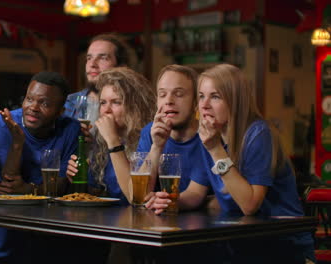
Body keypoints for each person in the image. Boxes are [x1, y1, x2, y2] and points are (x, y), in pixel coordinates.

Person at [147, 64, 315, 263]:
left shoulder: (257, 134)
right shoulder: (209, 136)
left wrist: (216, 150)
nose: (205, 104)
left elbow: (250, 205)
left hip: (282, 244)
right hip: (240, 243)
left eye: (215, 96)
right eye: (201, 96)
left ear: (235, 101)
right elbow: (195, 193)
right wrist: (169, 201)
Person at [0, 71, 81, 264]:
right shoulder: (3, 123)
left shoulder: (70, 128)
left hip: (47, 241)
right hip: (1, 239)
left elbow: (63, 185)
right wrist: (17, 142)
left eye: (45, 103)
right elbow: (7, 186)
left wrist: (28, 189)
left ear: (60, 111)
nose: (33, 107)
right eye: (29, 99)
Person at [67, 67, 156, 203]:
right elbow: (99, 194)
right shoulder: (101, 142)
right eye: (103, 103)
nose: (106, 110)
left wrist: (113, 141)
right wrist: (77, 176)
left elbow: (136, 198)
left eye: (116, 102)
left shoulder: (148, 138)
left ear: (135, 106)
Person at [138, 64, 204, 193]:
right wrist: (156, 147)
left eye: (178, 94)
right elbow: (138, 195)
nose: (168, 101)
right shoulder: (150, 132)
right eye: (162, 95)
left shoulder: (208, 136)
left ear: (196, 101)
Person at [63, 33, 129, 118]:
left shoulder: (132, 104)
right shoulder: (72, 102)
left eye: (103, 58)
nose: (92, 64)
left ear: (121, 66)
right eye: (89, 58)